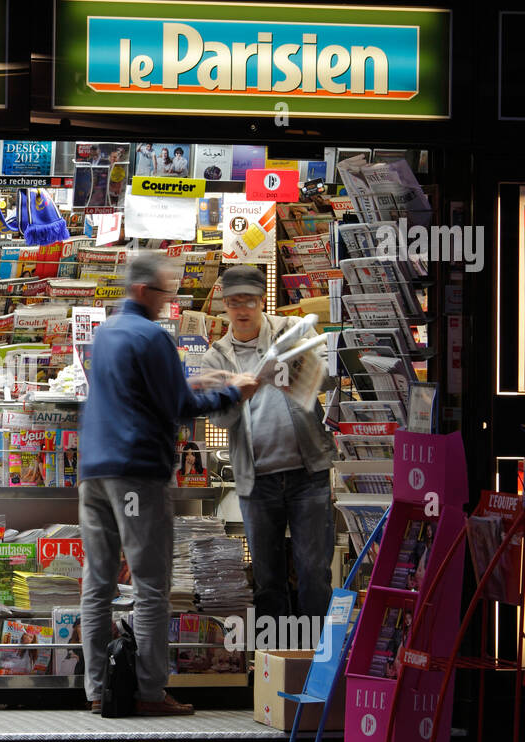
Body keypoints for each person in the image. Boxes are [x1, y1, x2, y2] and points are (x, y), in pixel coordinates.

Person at [79, 251, 259, 716]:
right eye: (163, 293)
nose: (166, 302)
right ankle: (148, 691)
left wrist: (199, 380)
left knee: (97, 584)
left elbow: (143, 391)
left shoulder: (106, 334)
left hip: (94, 474)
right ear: (143, 291)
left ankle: (98, 690)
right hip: (136, 473)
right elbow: (177, 407)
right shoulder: (150, 336)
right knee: (151, 584)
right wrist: (231, 392)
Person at [197, 265, 338, 624]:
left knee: (314, 575)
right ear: (224, 306)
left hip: (308, 474)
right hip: (256, 482)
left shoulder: (290, 332)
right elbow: (220, 420)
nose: (242, 310)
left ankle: (317, 666)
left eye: (249, 301)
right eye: (233, 302)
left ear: (262, 301)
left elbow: (327, 380)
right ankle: (274, 664)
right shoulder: (216, 357)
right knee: (267, 580)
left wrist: (292, 375)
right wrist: (238, 392)